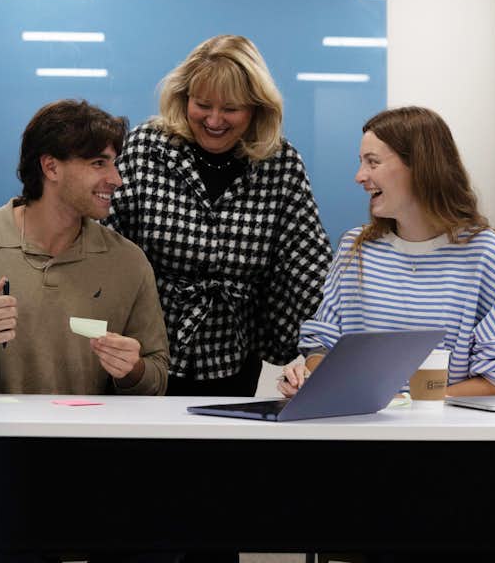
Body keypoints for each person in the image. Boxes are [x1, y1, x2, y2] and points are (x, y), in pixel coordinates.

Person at [107, 34, 333, 397]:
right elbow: (103, 241)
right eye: (202, 104)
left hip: (233, 355)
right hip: (143, 355)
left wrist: (323, 349)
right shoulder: (145, 148)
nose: (213, 120)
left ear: (257, 108)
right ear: (184, 99)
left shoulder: (280, 164)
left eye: (230, 109)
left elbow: (308, 266)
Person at [0, 99, 169, 396]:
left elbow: (156, 378)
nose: (116, 179)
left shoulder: (128, 262)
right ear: (51, 167)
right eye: (98, 163)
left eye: (114, 163)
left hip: (85, 441)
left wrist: (132, 370)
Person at [280, 105, 495, 398]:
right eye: (361, 162)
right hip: (361, 433)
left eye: (373, 162)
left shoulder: (488, 256)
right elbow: (322, 343)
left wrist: (406, 402)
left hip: (449, 437)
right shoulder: (354, 248)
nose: (359, 176)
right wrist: (310, 378)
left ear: (420, 166)